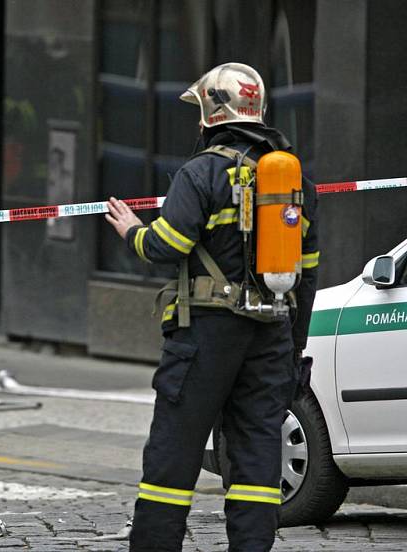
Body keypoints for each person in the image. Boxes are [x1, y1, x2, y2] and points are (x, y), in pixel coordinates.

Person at [105, 62, 319, 551]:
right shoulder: (294, 180)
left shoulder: (200, 172)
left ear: (209, 113)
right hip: (271, 334)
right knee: (256, 456)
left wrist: (131, 231)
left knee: (174, 452)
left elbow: (166, 246)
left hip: (205, 335)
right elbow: (307, 275)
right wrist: (292, 352)